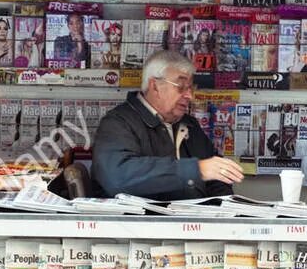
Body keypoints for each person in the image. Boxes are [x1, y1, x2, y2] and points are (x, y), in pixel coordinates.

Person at [91, 49, 243, 200]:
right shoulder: (118, 122)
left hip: (193, 220)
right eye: (181, 87)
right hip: (143, 222)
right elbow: (117, 177)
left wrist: (223, 210)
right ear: (155, 85)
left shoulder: (190, 125)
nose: (189, 95)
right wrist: (196, 170)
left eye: (190, 88)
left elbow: (217, 181)